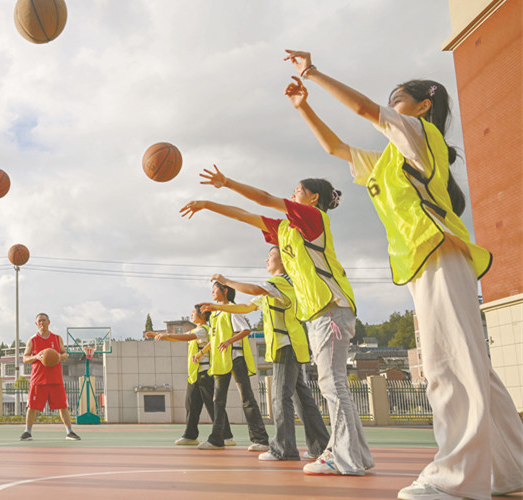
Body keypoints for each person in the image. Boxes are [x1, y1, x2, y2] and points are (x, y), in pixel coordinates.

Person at [282, 49, 523, 499]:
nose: (392, 106)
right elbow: (335, 148)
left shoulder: (418, 133)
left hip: (440, 254)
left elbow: (361, 109)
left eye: (399, 99)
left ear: (423, 106)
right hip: (425, 262)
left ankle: (456, 479)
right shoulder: (388, 160)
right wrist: (304, 107)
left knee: (447, 366)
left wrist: (313, 74)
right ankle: (510, 471)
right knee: (473, 367)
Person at [180, 167, 373, 476]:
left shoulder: (313, 219)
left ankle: (344, 457)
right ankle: (356, 455)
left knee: (332, 385)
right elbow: (246, 215)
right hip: (321, 313)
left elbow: (266, 198)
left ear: (313, 197)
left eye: (296, 191)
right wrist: (208, 204)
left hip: (331, 309)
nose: (292, 195)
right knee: (331, 386)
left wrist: (227, 182)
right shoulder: (287, 230)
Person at [200, 247, 329, 462]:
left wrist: (227, 280)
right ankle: (320, 446)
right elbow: (245, 307)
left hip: (285, 345)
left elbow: (253, 290)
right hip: (293, 344)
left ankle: (283, 449)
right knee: (301, 398)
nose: (266, 258)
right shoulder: (278, 287)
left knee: (280, 397)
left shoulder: (280, 283)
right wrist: (215, 306)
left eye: (271, 255)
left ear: (284, 260)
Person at [190, 282, 269, 452]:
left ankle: (260, 439)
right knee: (218, 400)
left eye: (215, 289)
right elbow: (214, 339)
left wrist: (228, 341)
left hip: (236, 358)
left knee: (246, 398)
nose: (212, 292)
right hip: (221, 361)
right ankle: (217, 439)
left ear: (225, 291)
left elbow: (246, 330)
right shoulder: (217, 314)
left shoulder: (233, 309)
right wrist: (202, 352)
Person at [147, 304, 232, 446]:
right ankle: (190, 435)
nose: (191, 314)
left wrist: (165, 334)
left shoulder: (203, 330)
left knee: (213, 405)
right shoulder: (196, 329)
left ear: (202, 315)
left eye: (194, 312)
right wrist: (157, 335)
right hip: (195, 374)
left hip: (205, 373)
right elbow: (178, 338)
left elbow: (185, 338)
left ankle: (226, 435)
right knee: (191, 405)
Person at [19, 313, 81, 441]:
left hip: (55, 379)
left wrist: (59, 356)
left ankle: (70, 432)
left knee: (63, 406)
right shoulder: (33, 340)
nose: (42, 323)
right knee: (32, 407)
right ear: (36, 324)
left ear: (49, 322)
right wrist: (36, 357)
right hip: (38, 379)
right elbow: (25, 358)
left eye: (44, 320)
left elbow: (65, 354)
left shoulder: (57, 339)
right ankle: (27, 432)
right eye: (39, 321)